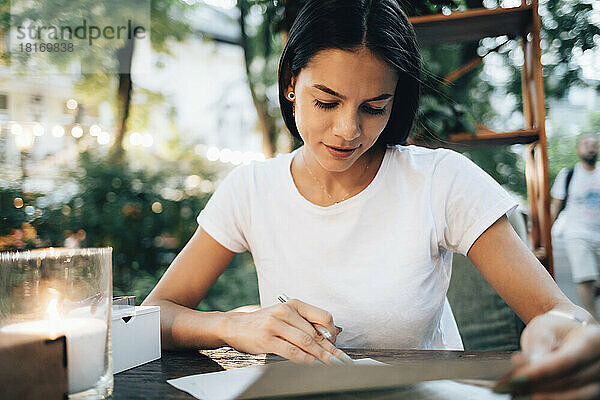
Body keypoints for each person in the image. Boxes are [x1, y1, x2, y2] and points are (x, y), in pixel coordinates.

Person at [144, 0, 600, 397]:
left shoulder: (441, 180)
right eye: (326, 102)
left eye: (374, 107)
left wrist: (567, 334)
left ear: (395, 100)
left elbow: (560, 312)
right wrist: (232, 325)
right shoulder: (251, 189)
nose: (348, 131)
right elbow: (153, 316)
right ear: (290, 85)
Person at [551, 134, 600, 318]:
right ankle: (592, 324)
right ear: (578, 149)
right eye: (586, 144)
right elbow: (557, 204)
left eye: (594, 145)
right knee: (585, 277)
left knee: (593, 279)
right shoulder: (569, 174)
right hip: (577, 233)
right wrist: (548, 230)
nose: (591, 147)